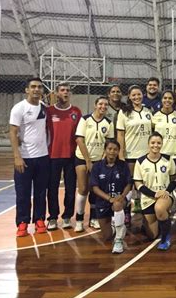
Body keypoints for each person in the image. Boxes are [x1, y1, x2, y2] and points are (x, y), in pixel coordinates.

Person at [9, 77, 50, 237]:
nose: (36, 89)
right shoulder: (19, 108)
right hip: (24, 158)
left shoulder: (44, 108)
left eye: (39, 87)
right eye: (33, 87)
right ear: (27, 90)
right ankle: (22, 222)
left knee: (41, 192)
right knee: (23, 192)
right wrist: (17, 156)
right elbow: (13, 132)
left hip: (43, 157)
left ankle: (39, 219)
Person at [74, 96, 115, 232]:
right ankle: (79, 219)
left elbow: (109, 144)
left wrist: (103, 158)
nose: (103, 107)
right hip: (82, 158)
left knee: (96, 190)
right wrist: (88, 160)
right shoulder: (85, 119)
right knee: (83, 188)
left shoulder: (108, 123)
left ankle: (94, 217)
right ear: (95, 105)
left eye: (105, 105)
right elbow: (80, 140)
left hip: (99, 161)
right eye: (100, 104)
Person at [133, 132, 176, 250]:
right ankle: (148, 222)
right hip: (148, 198)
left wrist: (167, 191)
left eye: (158, 143)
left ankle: (166, 238)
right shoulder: (140, 161)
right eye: (153, 143)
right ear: (148, 144)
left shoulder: (168, 159)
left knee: (159, 208)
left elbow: (175, 179)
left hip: (165, 196)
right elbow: (138, 183)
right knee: (152, 235)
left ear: (162, 144)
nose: (156, 145)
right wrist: (154, 194)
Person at [46, 82, 82, 230]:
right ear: (57, 93)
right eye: (62, 90)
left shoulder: (76, 111)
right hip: (52, 156)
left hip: (71, 157)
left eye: (67, 90)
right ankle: (53, 217)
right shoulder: (49, 111)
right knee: (52, 188)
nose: (65, 92)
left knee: (70, 188)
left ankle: (67, 216)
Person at [116, 85, 153, 219]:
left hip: (146, 154)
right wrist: (121, 154)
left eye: (139, 94)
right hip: (131, 154)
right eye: (134, 95)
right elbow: (120, 134)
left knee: (143, 183)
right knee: (129, 183)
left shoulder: (148, 111)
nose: (137, 97)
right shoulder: (124, 112)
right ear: (129, 97)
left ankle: (145, 211)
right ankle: (126, 212)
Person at [90, 140, 131, 254]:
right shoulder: (97, 167)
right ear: (105, 150)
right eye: (110, 149)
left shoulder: (123, 165)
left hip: (119, 200)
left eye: (115, 149)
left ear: (118, 152)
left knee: (117, 205)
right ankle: (118, 225)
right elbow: (95, 188)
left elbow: (129, 184)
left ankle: (119, 240)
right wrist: (109, 198)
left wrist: (122, 196)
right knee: (107, 236)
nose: (112, 152)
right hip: (103, 202)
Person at [152, 91, 176, 168]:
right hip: (159, 153)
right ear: (161, 100)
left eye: (170, 98)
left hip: (174, 154)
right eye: (165, 98)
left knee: (174, 178)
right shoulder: (155, 116)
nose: (167, 100)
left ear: (174, 100)